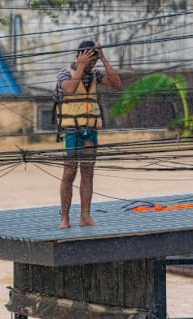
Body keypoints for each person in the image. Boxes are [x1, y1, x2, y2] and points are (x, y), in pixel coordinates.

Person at [56, 40, 122, 228]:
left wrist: (103, 59)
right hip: (71, 131)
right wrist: (80, 67)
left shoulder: (95, 74)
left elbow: (117, 84)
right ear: (79, 56)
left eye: (94, 62)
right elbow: (69, 89)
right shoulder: (64, 73)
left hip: (90, 129)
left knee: (88, 172)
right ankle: (65, 218)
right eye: (89, 61)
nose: (91, 65)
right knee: (69, 172)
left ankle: (85, 216)